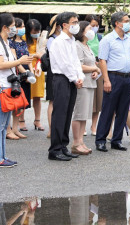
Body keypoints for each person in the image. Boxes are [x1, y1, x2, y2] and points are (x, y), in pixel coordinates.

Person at [0, 13, 33, 168]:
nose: (15, 29)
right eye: (13, 26)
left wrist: (22, 67)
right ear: (5, 27)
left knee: (4, 124)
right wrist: (19, 61)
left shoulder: (5, 42)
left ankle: (1, 156)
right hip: (1, 88)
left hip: (6, 86)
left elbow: (10, 63)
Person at [95, 12, 130, 152]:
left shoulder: (129, 39)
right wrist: (106, 80)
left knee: (123, 110)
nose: (128, 23)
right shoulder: (107, 40)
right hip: (113, 77)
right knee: (108, 109)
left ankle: (117, 140)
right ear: (117, 23)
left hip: (126, 78)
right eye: (126, 21)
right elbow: (102, 60)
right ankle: (101, 140)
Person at [48, 12, 84, 161]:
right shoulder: (59, 41)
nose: (76, 25)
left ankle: (63, 146)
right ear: (64, 25)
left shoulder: (71, 40)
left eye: (77, 22)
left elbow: (75, 62)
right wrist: (75, 79)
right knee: (60, 114)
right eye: (73, 22)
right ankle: (55, 149)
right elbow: (64, 64)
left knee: (68, 113)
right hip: (62, 79)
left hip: (72, 79)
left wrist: (80, 77)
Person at [72, 21, 101, 155]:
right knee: (79, 114)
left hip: (91, 83)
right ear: (82, 31)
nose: (92, 30)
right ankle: (76, 142)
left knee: (85, 114)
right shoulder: (77, 46)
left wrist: (95, 71)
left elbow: (92, 64)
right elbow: (79, 66)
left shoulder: (87, 46)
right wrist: (94, 68)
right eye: (89, 28)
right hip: (82, 83)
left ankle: (81, 142)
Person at [8, 17, 31, 138]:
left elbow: (28, 57)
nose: (22, 29)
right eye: (20, 26)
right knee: (11, 103)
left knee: (19, 103)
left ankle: (16, 128)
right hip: (16, 74)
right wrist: (25, 73)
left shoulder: (23, 41)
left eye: (23, 26)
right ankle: (8, 129)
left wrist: (31, 72)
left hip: (25, 74)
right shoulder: (9, 42)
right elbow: (16, 60)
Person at [25, 19, 46, 131]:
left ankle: (37, 120)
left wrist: (40, 55)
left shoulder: (41, 39)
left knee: (37, 96)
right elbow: (22, 53)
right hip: (27, 68)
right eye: (34, 31)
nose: (36, 33)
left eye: (38, 30)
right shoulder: (24, 39)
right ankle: (21, 120)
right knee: (23, 94)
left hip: (38, 70)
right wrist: (35, 55)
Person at [85, 14, 103, 136]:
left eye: (97, 25)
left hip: (99, 66)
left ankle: (94, 126)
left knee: (98, 98)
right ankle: (83, 126)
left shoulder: (100, 37)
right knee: (86, 98)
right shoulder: (83, 38)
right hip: (86, 67)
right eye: (92, 26)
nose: (95, 28)